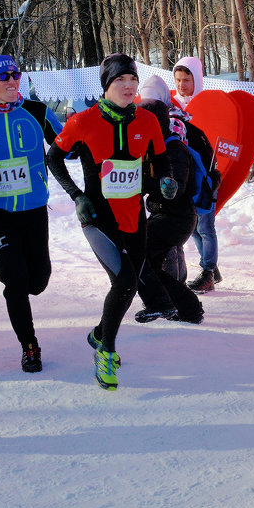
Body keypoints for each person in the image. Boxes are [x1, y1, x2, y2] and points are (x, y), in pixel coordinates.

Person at [45, 53, 176, 390]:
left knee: (128, 283)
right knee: (126, 282)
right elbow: (53, 158)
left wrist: (166, 181)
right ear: (106, 85)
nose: (129, 86)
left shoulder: (148, 122)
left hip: (134, 218)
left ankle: (101, 332)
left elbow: (161, 163)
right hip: (98, 219)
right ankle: (106, 352)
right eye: (120, 80)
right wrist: (77, 196)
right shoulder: (82, 121)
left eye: (133, 79)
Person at [0, 54, 64, 373]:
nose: (11, 81)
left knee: (38, 280)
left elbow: (66, 144)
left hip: (34, 210)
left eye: (15, 75)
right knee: (14, 281)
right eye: (3, 77)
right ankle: (29, 345)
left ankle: (30, 288)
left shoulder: (38, 111)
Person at [132, 75, 206, 324]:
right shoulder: (153, 146)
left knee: (140, 258)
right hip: (165, 215)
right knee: (148, 263)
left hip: (177, 217)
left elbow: (176, 189)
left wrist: (144, 184)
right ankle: (183, 307)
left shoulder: (173, 147)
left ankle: (168, 304)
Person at [171, 55, 223, 293]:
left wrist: (214, 175)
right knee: (191, 226)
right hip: (184, 180)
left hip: (204, 176)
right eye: (178, 80)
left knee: (205, 226)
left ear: (197, 79)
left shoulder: (209, 107)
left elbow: (218, 139)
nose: (182, 85)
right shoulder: (172, 107)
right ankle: (211, 266)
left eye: (187, 80)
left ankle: (208, 272)